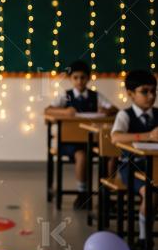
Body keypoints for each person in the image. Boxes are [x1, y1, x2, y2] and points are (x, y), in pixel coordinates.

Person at [111, 69, 158, 250]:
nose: (150, 96)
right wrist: (148, 135)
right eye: (144, 91)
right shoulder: (124, 116)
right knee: (151, 194)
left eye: (153, 91)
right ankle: (144, 239)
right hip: (134, 168)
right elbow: (116, 138)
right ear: (130, 94)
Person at [45, 60, 117, 209]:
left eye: (83, 77)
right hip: (70, 142)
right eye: (75, 77)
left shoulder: (95, 95)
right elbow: (48, 110)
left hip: (93, 141)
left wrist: (107, 111)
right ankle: (82, 193)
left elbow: (115, 109)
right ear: (70, 79)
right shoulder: (66, 95)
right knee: (81, 156)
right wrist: (64, 111)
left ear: (88, 78)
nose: (79, 81)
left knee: (111, 155)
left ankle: (106, 194)